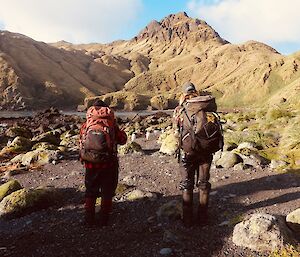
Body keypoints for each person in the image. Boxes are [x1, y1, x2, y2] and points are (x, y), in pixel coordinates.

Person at [79, 99, 127, 227]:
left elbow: (81, 142)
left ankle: (89, 220)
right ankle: (104, 220)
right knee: (107, 191)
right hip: (109, 163)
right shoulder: (111, 125)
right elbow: (122, 140)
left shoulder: (87, 125)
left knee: (90, 191)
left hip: (90, 163)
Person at [174, 82, 215, 227]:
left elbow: (176, 130)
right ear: (196, 92)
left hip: (188, 152)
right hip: (206, 151)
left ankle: (187, 220)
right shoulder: (206, 107)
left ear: (183, 93)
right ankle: (203, 218)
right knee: (204, 184)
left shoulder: (181, 109)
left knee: (187, 185)